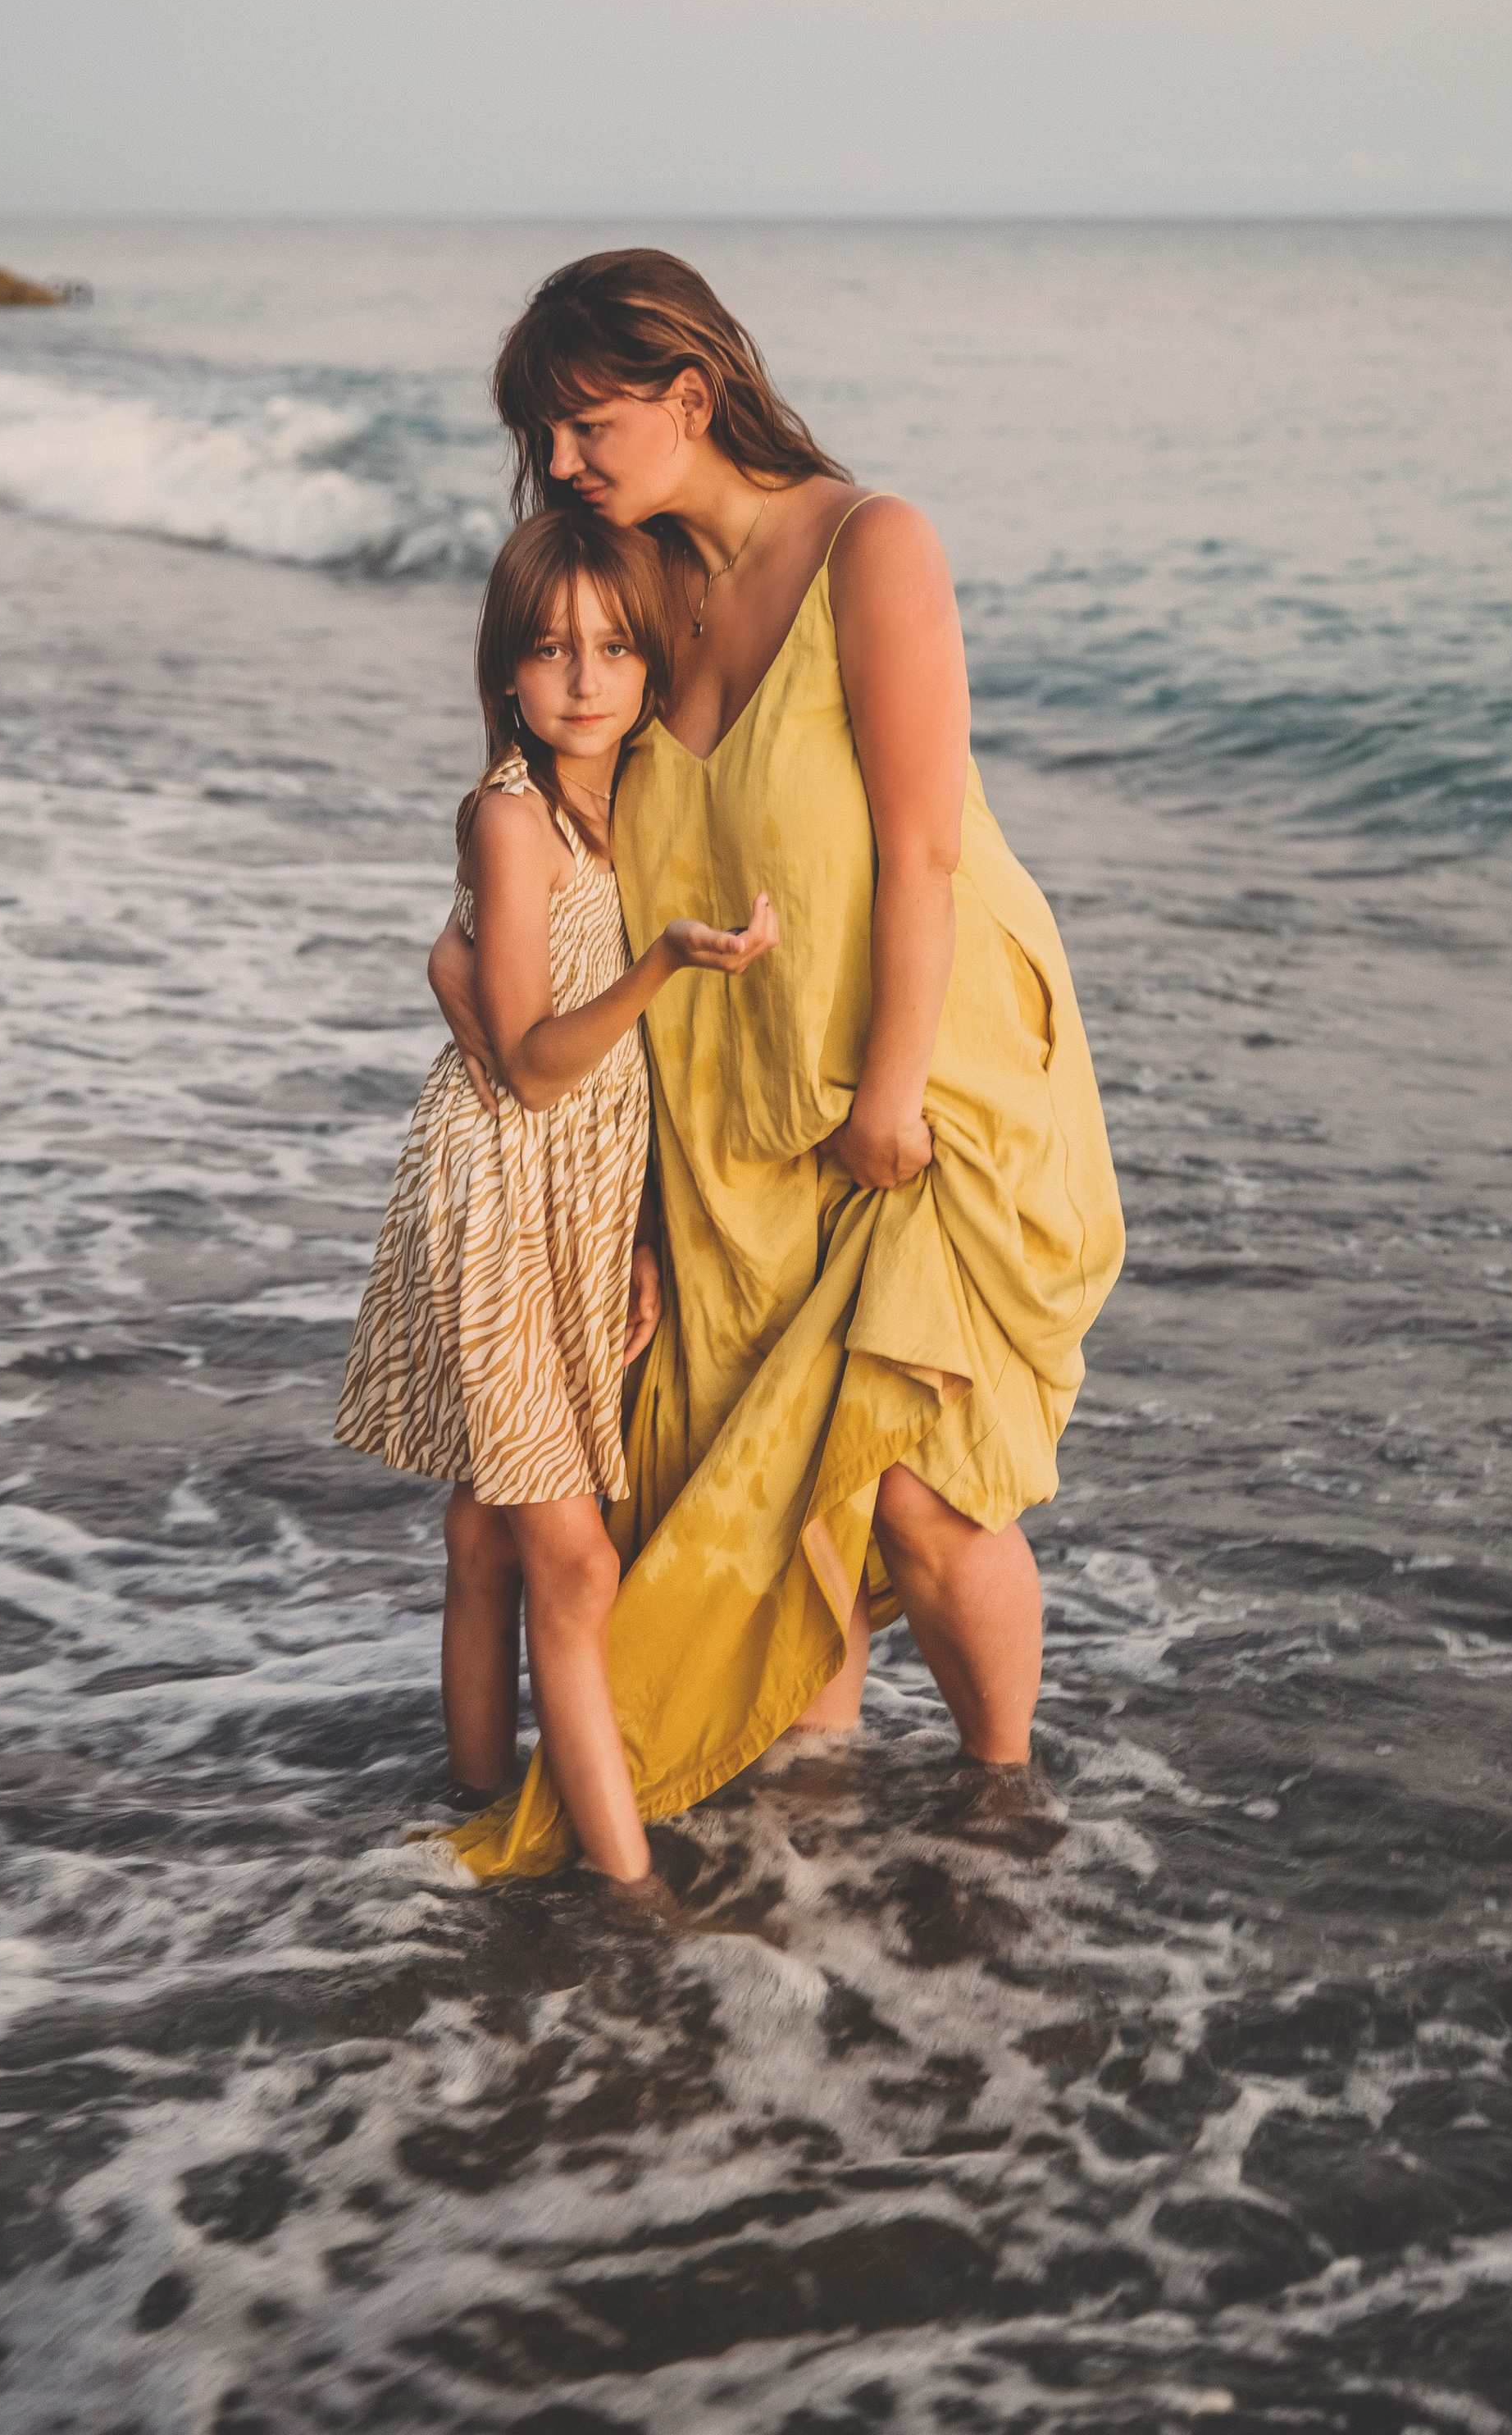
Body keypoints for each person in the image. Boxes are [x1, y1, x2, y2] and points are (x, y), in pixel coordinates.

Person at [430, 249, 1127, 1883]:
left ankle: (1001, 1807)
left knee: (915, 1486)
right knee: (775, 1480)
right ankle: (814, 1823)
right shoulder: (644, 603)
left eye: (582, 423)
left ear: (690, 393)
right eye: (541, 435)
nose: (559, 463)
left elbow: (919, 848)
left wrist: (889, 1091)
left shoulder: (869, 546)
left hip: (924, 1077)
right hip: (729, 1121)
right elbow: (565, 879)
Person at [335, 505, 776, 1886]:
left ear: (650, 663)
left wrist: (641, 1230)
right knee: (572, 1568)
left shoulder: (623, 802)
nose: (584, 678)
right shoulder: (516, 817)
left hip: (576, 1204)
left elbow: (453, 960)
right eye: (548, 650)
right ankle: (620, 1896)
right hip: (498, 1194)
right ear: (505, 677)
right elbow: (533, 1067)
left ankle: (471, 1813)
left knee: (487, 1526)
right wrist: (655, 967)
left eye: (610, 649)